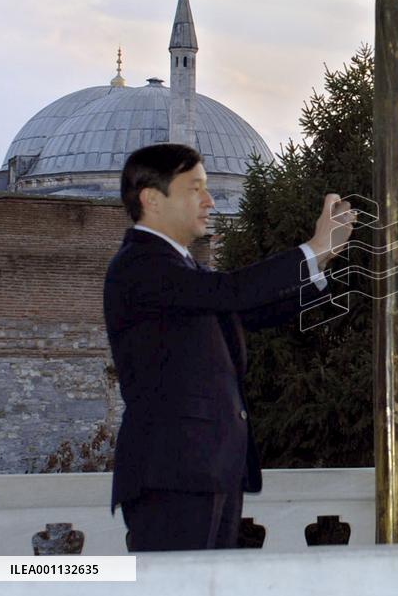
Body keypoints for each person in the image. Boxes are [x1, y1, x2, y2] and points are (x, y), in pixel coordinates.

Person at [103, 143, 355, 551]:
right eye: (195, 188)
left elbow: (247, 312)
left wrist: (320, 266)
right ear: (152, 198)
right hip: (174, 475)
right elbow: (232, 292)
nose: (210, 200)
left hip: (205, 471)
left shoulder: (180, 267)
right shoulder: (142, 265)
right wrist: (313, 249)